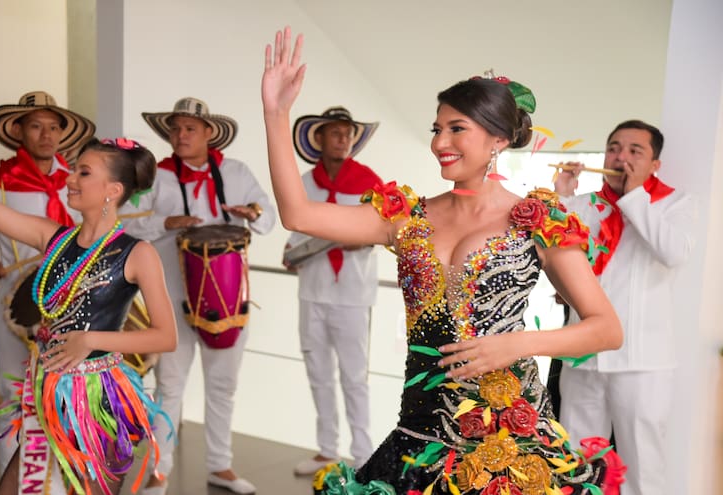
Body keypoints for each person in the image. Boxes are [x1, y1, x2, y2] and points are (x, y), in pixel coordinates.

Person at [261, 27, 627, 494]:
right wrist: (276, 114)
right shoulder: (405, 217)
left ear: (498, 139)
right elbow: (297, 214)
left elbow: (606, 329)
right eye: (437, 129)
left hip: (508, 439)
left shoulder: (536, 221)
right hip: (420, 430)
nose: (439, 142)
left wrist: (517, 344)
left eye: (457, 129)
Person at [0, 65, 177, 495]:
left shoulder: (138, 253)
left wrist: (90, 340)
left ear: (113, 190)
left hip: (99, 400)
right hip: (48, 392)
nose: (70, 179)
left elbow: (165, 336)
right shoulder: (51, 236)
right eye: (74, 170)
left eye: (84, 173)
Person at [121, 97, 276, 495]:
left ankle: (220, 465)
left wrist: (253, 214)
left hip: (227, 299)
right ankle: (159, 470)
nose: (181, 135)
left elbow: (269, 215)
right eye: (175, 128)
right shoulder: (153, 176)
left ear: (209, 133)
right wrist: (165, 221)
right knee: (170, 385)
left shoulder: (236, 172)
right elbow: (125, 224)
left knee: (223, 385)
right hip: (170, 297)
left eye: (190, 128)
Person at [553, 120, 695, 495]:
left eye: (635, 151)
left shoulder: (675, 204)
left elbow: (673, 253)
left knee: (642, 467)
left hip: (644, 361)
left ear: (655, 164)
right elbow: (556, 261)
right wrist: (562, 199)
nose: (621, 157)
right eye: (614, 148)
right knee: (577, 462)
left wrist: (633, 196)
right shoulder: (582, 206)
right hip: (582, 356)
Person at [0, 90, 95, 470]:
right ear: (18, 131)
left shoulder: (80, 180)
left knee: (70, 397)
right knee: (15, 397)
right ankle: (13, 487)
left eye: (54, 127)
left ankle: (60, 484)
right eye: (36, 126)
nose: (46, 135)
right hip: (18, 308)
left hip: (71, 305)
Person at [284, 106, 382, 476]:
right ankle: (327, 450)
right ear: (320, 138)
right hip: (312, 290)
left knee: (355, 376)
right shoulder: (305, 183)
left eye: (348, 134)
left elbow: (384, 230)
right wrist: (291, 253)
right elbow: (296, 232)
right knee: (318, 373)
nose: (343, 139)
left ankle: (363, 455)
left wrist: (364, 239)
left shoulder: (370, 182)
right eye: (336, 133)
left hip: (353, 294)